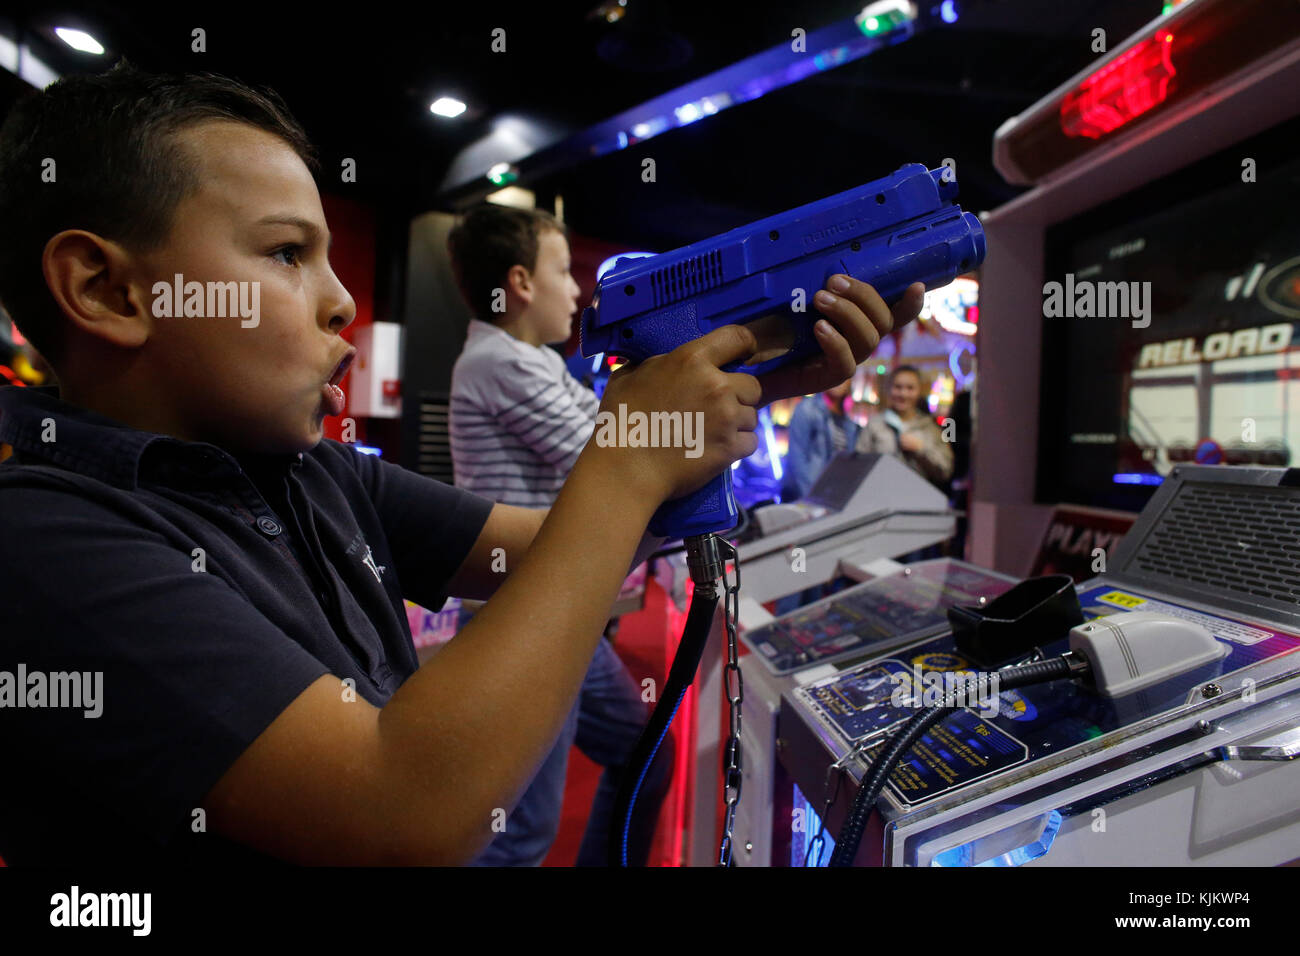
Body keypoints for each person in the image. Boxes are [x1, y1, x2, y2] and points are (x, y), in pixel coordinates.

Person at [0, 62, 922, 865]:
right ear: (108, 288)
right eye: (286, 253)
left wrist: (749, 389)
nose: (339, 302)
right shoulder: (42, 541)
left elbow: (533, 550)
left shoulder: (312, 472)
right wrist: (632, 459)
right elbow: (399, 808)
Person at [445, 203, 671, 867]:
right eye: (564, 272)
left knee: (640, 753)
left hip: (554, 614)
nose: (578, 290)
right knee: (519, 838)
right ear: (519, 284)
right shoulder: (498, 362)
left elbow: (612, 432)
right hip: (520, 618)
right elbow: (610, 458)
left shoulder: (533, 360)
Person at [857, 364, 953, 490]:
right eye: (898, 387)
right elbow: (859, 465)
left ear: (919, 391)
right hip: (880, 496)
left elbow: (946, 470)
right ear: (889, 389)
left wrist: (921, 449)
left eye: (910, 388)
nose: (903, 393)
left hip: (918, 499)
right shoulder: (875, 424)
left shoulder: (929, 427)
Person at [782, 377, 859, 500]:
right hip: (809, 494)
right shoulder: (807, 409)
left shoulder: (849, 423)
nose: (839, 381)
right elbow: (797, 458)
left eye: (844, 377)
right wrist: (811, 498)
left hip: (834, 494)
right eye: (836, 374)